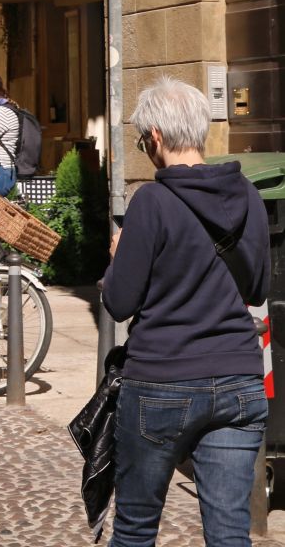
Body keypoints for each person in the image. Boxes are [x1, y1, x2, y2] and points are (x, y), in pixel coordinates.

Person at [102, 76, 270, 547]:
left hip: (161, 380)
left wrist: (117, 258)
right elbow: (258, 289)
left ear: (156, 136)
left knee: (135, 529)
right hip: (239, 382)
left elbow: (119, 302)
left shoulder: (151, 201)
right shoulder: (249, 196)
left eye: (142, 141)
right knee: (230, 534)